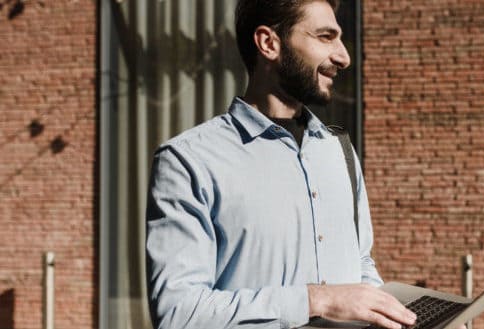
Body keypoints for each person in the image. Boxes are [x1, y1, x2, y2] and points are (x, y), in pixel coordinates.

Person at [145, 0, 418, 328]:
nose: (343, 56)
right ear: (269, 43)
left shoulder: (339, 150)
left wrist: (404, 319)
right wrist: (317, 299)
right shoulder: (188, 161)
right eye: (325, 36)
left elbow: (360, 268)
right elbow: (179, 313)